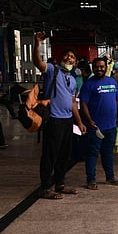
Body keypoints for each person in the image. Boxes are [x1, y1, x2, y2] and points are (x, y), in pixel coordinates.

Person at [33, 31, 86, 199]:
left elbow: (72, 103)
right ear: (61, 58)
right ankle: (45, 187)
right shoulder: (52, 70)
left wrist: (79, 122)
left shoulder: (71, 79)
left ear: (75, 62)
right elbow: (38, 63)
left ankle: (60, 184)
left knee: (64, 155)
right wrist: (37, 44)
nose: (69, 58)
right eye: (67, 55)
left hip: (67, 121)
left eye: (72, 57)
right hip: (53, 120)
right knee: (50, 154)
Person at [79, 57, 118, 190]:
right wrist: (89, 120)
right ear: (93, 68)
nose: (99, 69)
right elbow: (83, 103)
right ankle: (90, 180)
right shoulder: (88, 84)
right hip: (96, 127)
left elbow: (117, 101)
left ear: (106, 67)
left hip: (111, 126)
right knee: (92, 153)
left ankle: (110, 177)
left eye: (102, 66)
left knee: (108, 153)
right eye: (96, 67)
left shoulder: (112, 81)